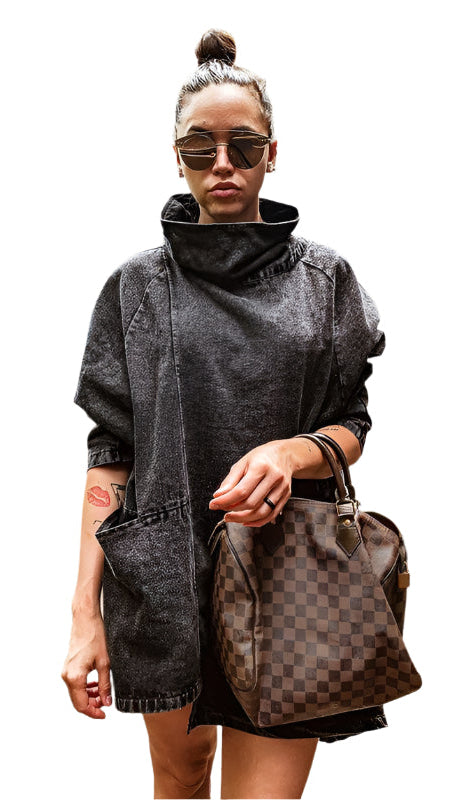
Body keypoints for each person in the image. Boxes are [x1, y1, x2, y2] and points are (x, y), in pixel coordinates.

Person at [62, 29, 387, 800]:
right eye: (199, 147)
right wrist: (84, 617)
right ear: (175, 156)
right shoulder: (135, 289)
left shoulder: (324, 281)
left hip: (292, 580)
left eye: (242, 146)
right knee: (179, 781)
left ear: (273, 153)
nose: (222, 164)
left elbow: (353, 425)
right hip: (163, 579)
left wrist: (291, 454)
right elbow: (110, 456)